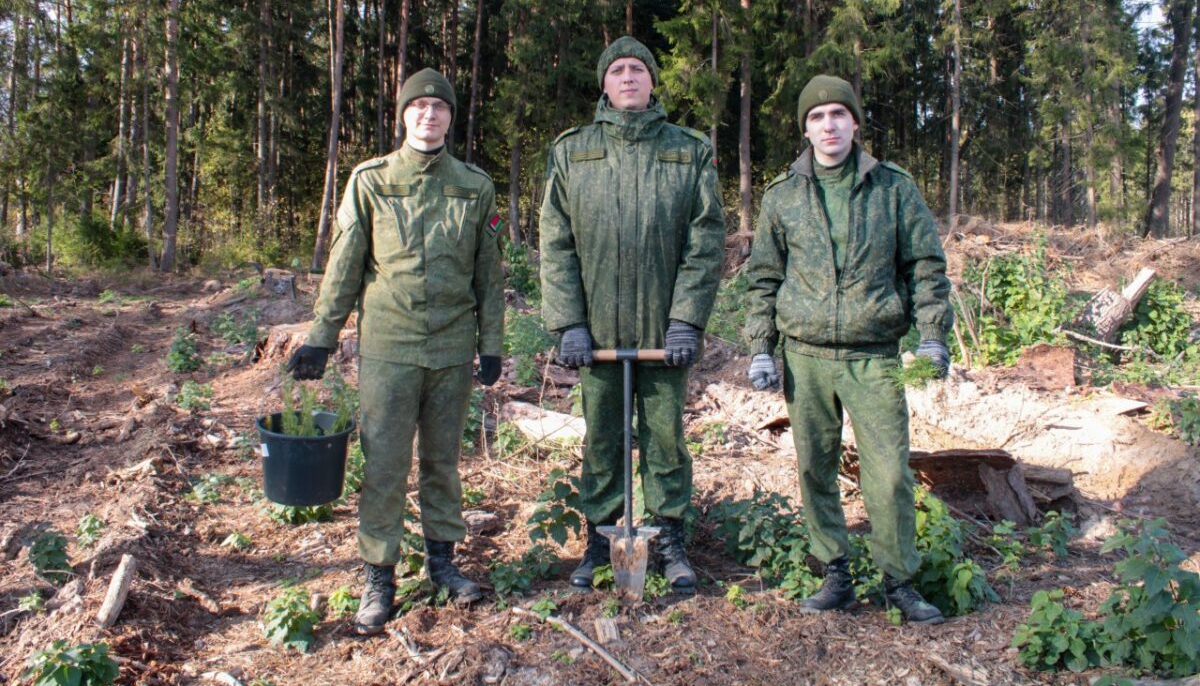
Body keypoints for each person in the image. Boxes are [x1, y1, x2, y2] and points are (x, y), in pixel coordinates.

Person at [287, 68, 505, 635]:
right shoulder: (371, 180)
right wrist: (320, 337)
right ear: (403, 115)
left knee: (443, 462)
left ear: (451, 118)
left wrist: (492, 346)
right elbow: (345, 266)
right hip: (390, 344)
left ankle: (442, 564)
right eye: (418, 107)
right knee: (384, 464)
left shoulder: (475, 186)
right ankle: (378, 577)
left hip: (453, 347)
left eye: (439, 107)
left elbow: (488, 274)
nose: (428, 115)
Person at [744, 74, 953, 624]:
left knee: (888, 473)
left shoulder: (892, 188)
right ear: (805, 129)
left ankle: (899, 580)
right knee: (815, 467)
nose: (828, 124)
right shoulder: (782, 196)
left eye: (838, 114)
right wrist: (762, 347)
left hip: (873, 355)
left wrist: (932, 335)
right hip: (805, 357)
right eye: (816, 117)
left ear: (855, 123)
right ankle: (833, 571)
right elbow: (764, 277)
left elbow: (925, 266)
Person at [539, 36, 725, 594]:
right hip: (596, 331)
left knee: (666, 438)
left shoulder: (687, 150)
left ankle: (668, 536)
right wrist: (569, 322)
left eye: (637, 70)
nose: (627, 78)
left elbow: (706, 238)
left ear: (651, 82)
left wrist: (686, 319)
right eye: (617, 70)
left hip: (662, 332)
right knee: (601, 439)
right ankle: (601, 538)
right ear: (604, 82)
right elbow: (557, 241)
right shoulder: (574, 151)